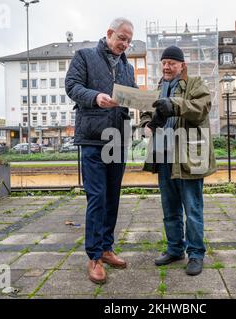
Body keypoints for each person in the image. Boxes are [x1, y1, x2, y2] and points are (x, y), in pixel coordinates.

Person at [66, 17, 136, 284]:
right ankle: (94, 256)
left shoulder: (127, 67)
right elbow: (72, 87)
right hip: (94, 137)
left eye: (129, 41)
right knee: (97, 197)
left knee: (113, 197)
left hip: (118, 138)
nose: (125, 44)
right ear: (109, 33)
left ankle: (106, 248)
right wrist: (95, 97)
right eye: (122, 38)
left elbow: (131, 95)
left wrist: (143, 100)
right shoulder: (84, 56)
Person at [140, 46, 217, 276]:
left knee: (192, 209)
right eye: (164, 62)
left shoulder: (195, 83)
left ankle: (196, 254)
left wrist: (174, 105)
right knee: (170, 209)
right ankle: (175, 249)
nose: (166, 66)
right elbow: (147, 111)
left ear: (182, 66)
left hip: (188, 158)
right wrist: (146, 123)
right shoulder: (158, 87)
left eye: (172, 63)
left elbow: (202, 108)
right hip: (164, 157)